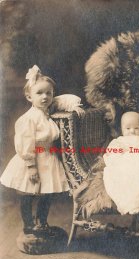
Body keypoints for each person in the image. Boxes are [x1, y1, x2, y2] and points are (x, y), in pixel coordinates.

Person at [0, 65, 83, 235]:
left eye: (49, 93)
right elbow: (25, 141)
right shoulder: (30, 118)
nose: (45, 97)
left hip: (47, 157)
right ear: (29, 96)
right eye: (39, 93)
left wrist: (75, 107)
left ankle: (42, 222)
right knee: (28, 192)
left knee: (47, 193)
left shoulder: (47, 111)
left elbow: (64, 100)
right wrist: (31, 166)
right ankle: (28, 225)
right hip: (33, 158)